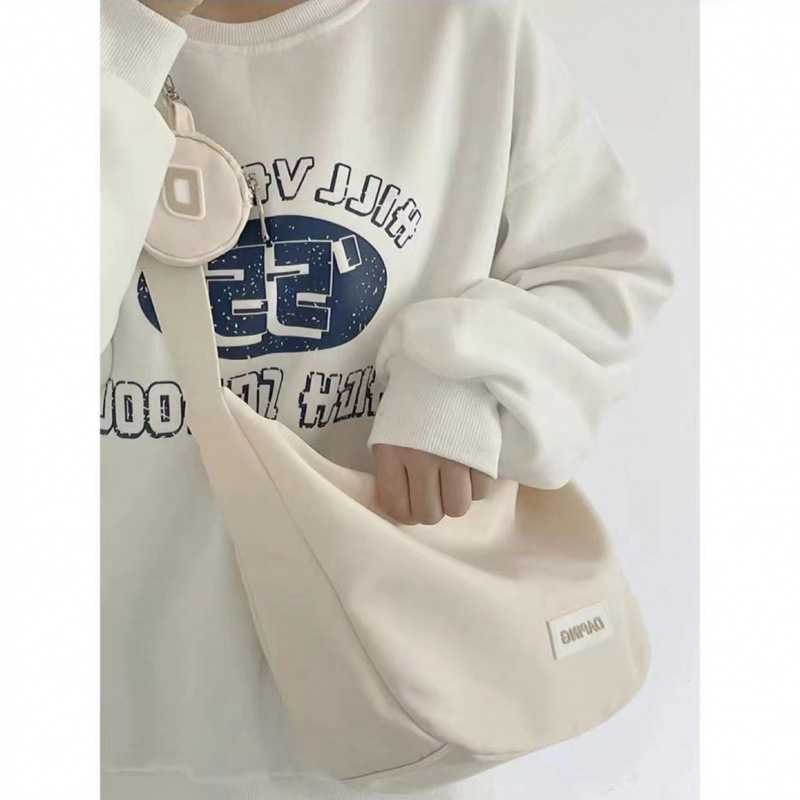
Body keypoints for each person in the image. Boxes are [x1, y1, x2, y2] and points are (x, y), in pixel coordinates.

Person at [100, 1, 673, 798]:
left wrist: (462, 384)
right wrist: (122, 45)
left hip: (393, 706)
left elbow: (603, 270)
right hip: (113, 715)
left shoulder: (464, 31)